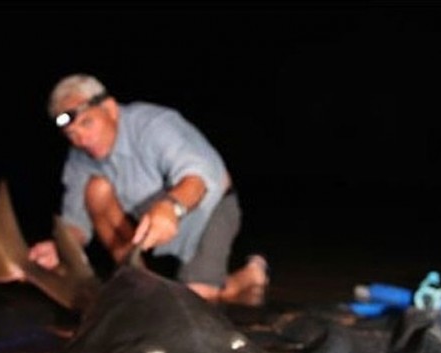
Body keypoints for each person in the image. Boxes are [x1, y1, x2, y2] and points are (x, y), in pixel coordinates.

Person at [28, 73, 269, 305]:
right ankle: (140, 283)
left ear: (110, 109)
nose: (81, 139)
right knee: (95, 189)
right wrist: (58, 248)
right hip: (153, 223)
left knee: (197, 298)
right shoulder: (80, 157)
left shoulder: (154, 124)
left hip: (209, 206)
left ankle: (250, 275)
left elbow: (199, 177)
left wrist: (171, 207)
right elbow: (77, 222)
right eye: (71, 133)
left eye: (87, 123)